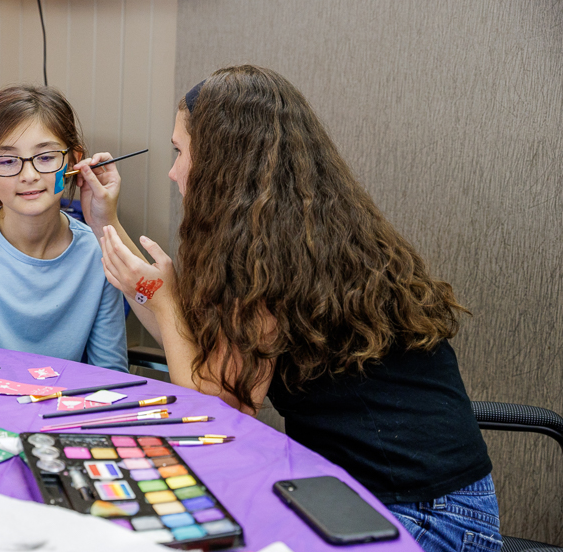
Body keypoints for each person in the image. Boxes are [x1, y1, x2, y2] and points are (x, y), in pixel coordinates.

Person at [74, 65, 501, 551]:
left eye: (179, 152)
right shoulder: (296, 233)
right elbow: (200, 348)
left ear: (219, 162)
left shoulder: (266, 262)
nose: (173, 170)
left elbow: (220, 405)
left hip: (425, 517)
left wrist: (164, 294)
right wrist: (104, 217)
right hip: (383, 493)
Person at [0, 85, 127, 372]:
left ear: (73, 162)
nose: (29, 175)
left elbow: (111, 374)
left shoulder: (97, 251)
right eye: (7, 160)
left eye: (47, 157)